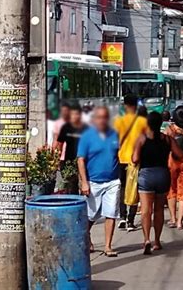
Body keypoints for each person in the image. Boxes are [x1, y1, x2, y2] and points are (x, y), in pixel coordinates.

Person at [132, 112, 183, 255]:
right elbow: (181, 155)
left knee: (146, 211)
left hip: (146, 176)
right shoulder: (168, 140)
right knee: (158, 210)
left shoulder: (141, 139)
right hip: (163, 175)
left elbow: (134, 159)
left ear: (148, 124)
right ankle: (157, 241)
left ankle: (146, 239)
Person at [77, 106, 121, 257]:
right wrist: (84, 182)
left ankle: (108, 246)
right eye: (99, 117)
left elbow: (119, 154)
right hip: (93, 182)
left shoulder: (115, 135)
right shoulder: (87, 137)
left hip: (113, 181)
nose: (102, 120)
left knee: (111, 214)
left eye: (105, 117)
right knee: (90, 215)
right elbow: (80, 160)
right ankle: (86, 238)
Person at [114, 94, 148, 231]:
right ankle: (131, 221)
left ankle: (122, 216)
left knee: (122, 188)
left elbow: (114, 141)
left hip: (121, 158)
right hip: (136, 160)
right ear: (136, 105)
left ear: (124, 105)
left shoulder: (118, 121)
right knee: (134, 189)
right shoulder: (142, 122)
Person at [55, 102, 88, 194]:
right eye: (72, 114)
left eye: (77, 114)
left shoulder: (85, 128)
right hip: (69, 161)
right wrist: (58, 159)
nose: (75, 116)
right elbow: (60, 144)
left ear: (80, 115)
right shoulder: (66, 128)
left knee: (84, 186)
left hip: (83, 161)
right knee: (70, 186)